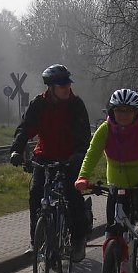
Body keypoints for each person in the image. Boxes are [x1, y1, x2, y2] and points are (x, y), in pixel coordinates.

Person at [10, 64, 92, 261]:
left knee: (72, 195)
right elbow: (25, 129)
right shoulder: (39, 104)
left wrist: (78, 156)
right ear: (51, 88)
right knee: (35, 193)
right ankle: (35, 241)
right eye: (61, 85)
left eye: (67, 85)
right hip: (44, 156)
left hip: (70, 158)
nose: (66, 88)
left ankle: (78, 240)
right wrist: (16, 150)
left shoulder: (76, 105)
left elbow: (83, 136)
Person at [74, 88, 138, 265]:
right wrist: (83, 176)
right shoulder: (104, 129)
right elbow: (92, 154)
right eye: (119, 110)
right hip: (115, 183)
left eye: (128, 111)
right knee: (112, 226)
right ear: (112, 111)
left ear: (136, 112)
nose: (123, 115)